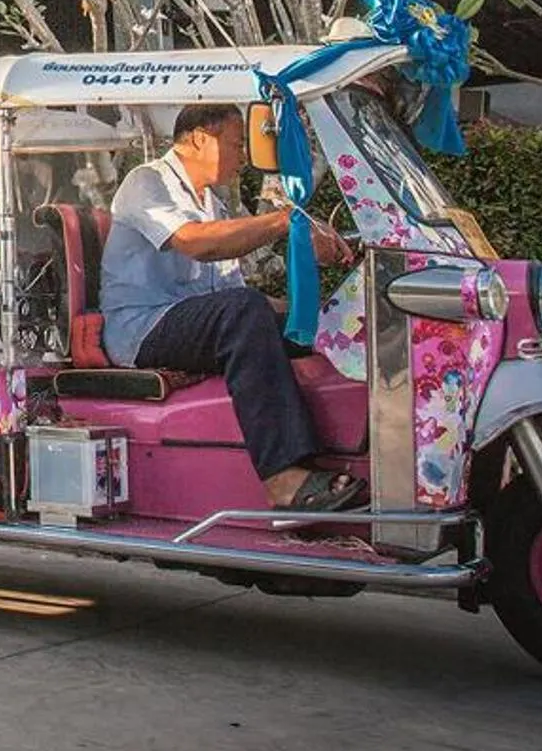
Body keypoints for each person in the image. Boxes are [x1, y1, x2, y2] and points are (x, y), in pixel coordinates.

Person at [100, 103, 359, 511]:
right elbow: (195, 243)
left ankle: (347, 452)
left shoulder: (214, 205)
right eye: (237, 145)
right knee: (244, 312)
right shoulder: (145, 182)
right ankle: (281, 478)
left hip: (196, 321)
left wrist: (316, 309)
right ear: (200, 138)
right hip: (144, 327)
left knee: (299, 321)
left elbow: (231, 289)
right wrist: (282, 221)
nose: (243, 159)